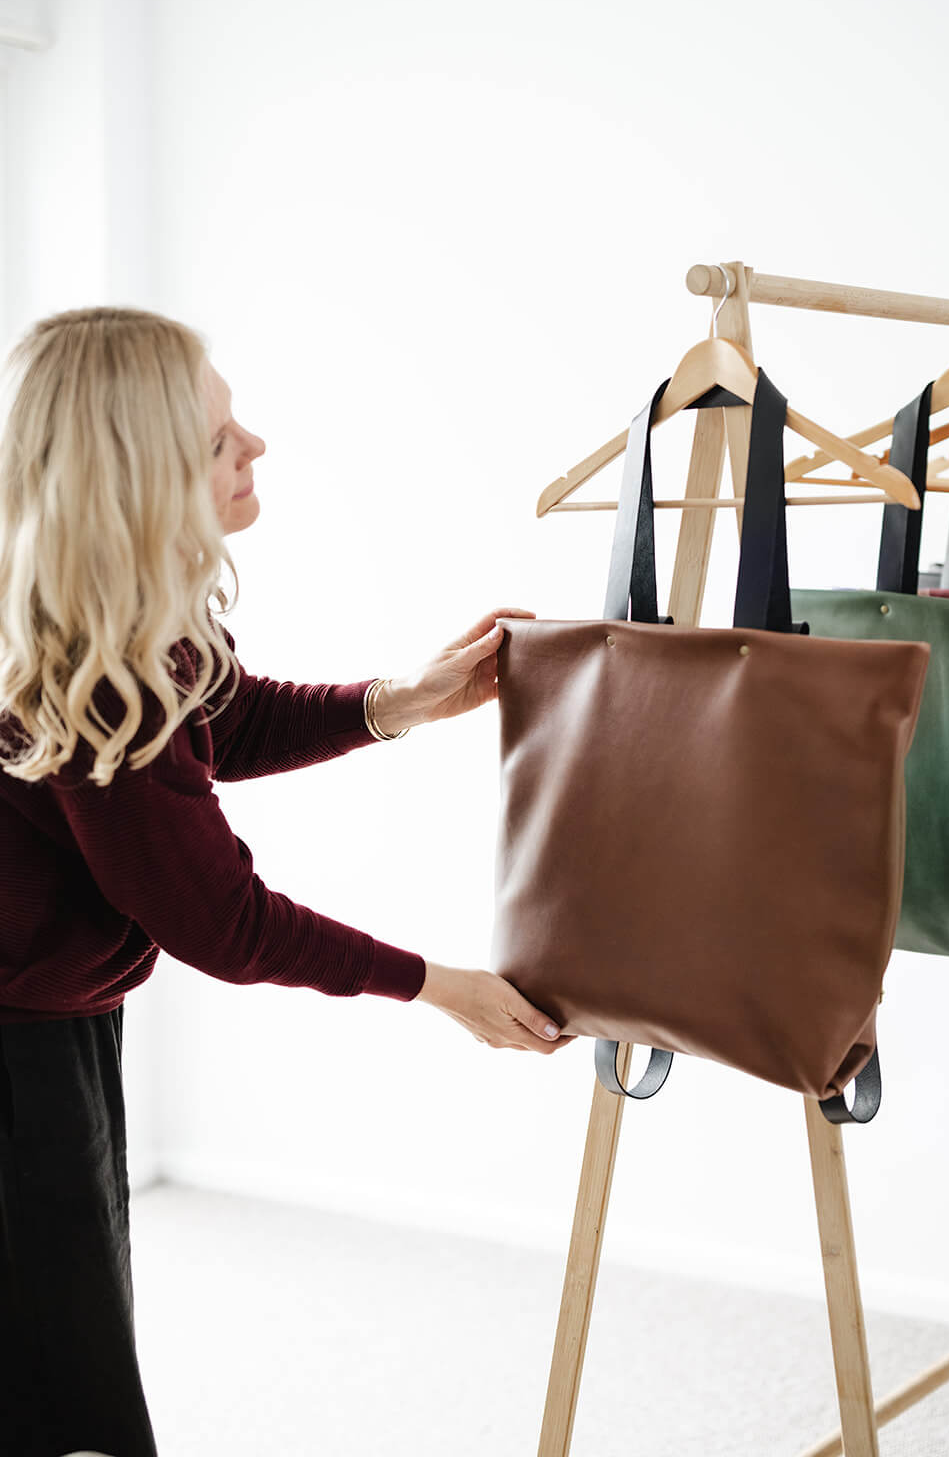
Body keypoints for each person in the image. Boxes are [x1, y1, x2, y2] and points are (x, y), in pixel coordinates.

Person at [0, 306, 575, 1457]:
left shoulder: (110, 616)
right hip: (14, 1051)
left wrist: (396, 702)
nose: (253, 445)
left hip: (50, 1014)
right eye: (220, 438)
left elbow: (217, 716)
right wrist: (439, 986)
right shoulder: (89, 664)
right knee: (56, 1395)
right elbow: (220, 917)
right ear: (144, 474)